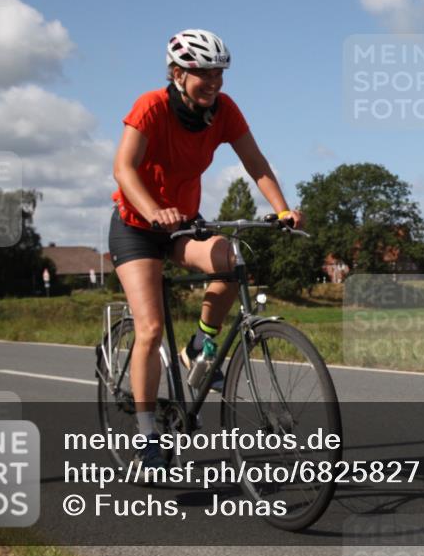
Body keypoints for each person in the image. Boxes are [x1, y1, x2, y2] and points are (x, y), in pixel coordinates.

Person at [109, 29, 303, 469]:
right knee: (150, 328)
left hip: (182, 225)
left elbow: (256, 163)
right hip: (137, 227)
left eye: (219, 73)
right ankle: (147, 435)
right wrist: (153, 211)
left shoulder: (224, 111)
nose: (214, 82)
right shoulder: (151, 107)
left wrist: (282, 209)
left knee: (230, 260)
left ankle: (200, 347)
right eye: (204, 74)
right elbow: (124, 169)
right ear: (178, 74)